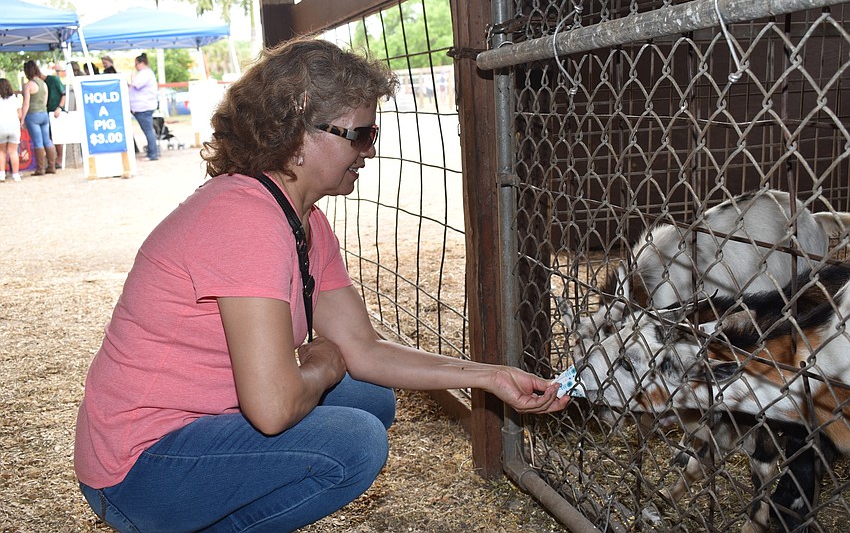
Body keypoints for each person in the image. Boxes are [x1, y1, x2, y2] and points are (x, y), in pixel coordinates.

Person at [74, 37, 571, 532]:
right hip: (138, 469)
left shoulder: (303, 221)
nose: (369, 151)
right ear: (297, 131)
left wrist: (487, 376)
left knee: (370, 396)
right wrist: (327, 362)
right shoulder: (244, 219)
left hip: (197, 432)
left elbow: (364, 350)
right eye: (359, 134)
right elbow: (273, 409)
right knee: (354, 442)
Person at [20, 60, 57, 175]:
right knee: (47, 140)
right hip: (44, 114)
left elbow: (26, 104)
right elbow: (45, 102)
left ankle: (40, 168)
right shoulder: (43, 84)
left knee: (38, 142)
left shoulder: (28, 85)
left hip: (33, 115)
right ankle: (52, 166)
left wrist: (22, 119)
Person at [128, 52, 158, 161]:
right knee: (148, 130)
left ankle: (152, 154)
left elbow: (135, 85)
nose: (135, 66)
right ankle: (152, 152)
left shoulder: (145, 73)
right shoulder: (145, 73)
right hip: (142, 106)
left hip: (143, 106)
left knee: (148, 131)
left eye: (136, 64)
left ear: (141, 63)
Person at [0, 78, 22, 182]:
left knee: (2, 151)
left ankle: (2, 174)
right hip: (13, 126)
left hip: (1, 127)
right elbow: (20, 115)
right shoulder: (15, 99)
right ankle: (16, 174)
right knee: (13, 151)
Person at [45, 65, 66, 166]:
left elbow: (64, 94)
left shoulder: (54, 80)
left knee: (57, 136)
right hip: (47, 112)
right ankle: (53, 160)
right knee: (50, 137)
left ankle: (60, 158)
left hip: (56, 112)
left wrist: (59, 107)